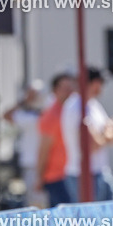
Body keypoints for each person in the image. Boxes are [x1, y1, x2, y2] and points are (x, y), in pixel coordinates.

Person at [61, 66, 113, 201]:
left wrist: (104, 135)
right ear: (94, 83)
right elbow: (93, 145)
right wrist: (106, 133)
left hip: (101, 172)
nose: (102, 87)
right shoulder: (75, 107)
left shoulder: (94, 105)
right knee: (91, 221)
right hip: (82, 176)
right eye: (101, 82)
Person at [35, 72, 75, 207]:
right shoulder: (51, 116)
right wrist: (39, 177)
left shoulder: (72, 111)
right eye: (64, 88)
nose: (69, 92)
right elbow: (44, 149)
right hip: (56, 177)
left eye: (71, 88)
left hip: (71, 174)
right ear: (55, 91)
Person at [4, 80, 46, 207]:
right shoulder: (34, 116)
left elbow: (7, 115)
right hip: (33, 164)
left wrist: (24, 101)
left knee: (36, 203)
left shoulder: (33, 119)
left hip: (36, 165)